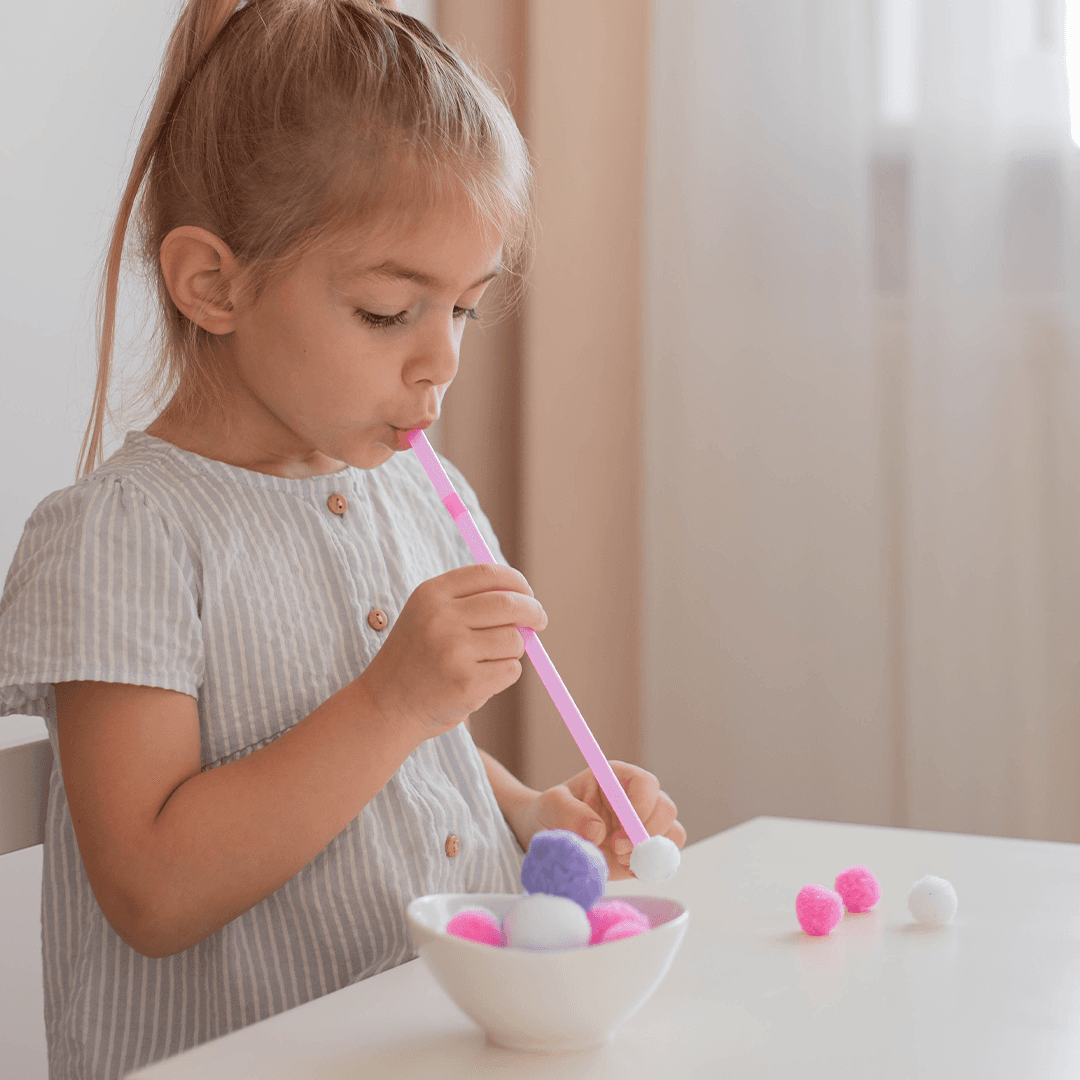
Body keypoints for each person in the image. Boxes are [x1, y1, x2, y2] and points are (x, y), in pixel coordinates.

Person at [0, 2, 686, 1078]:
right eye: (387, 311)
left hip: (419, 1045)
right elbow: (151, 890)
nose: (442, 362)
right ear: (212, 284)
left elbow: (413, 766)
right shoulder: (123, 538)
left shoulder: (421, 489)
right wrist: (393, 700)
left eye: (463, 309)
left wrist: (525, 812)